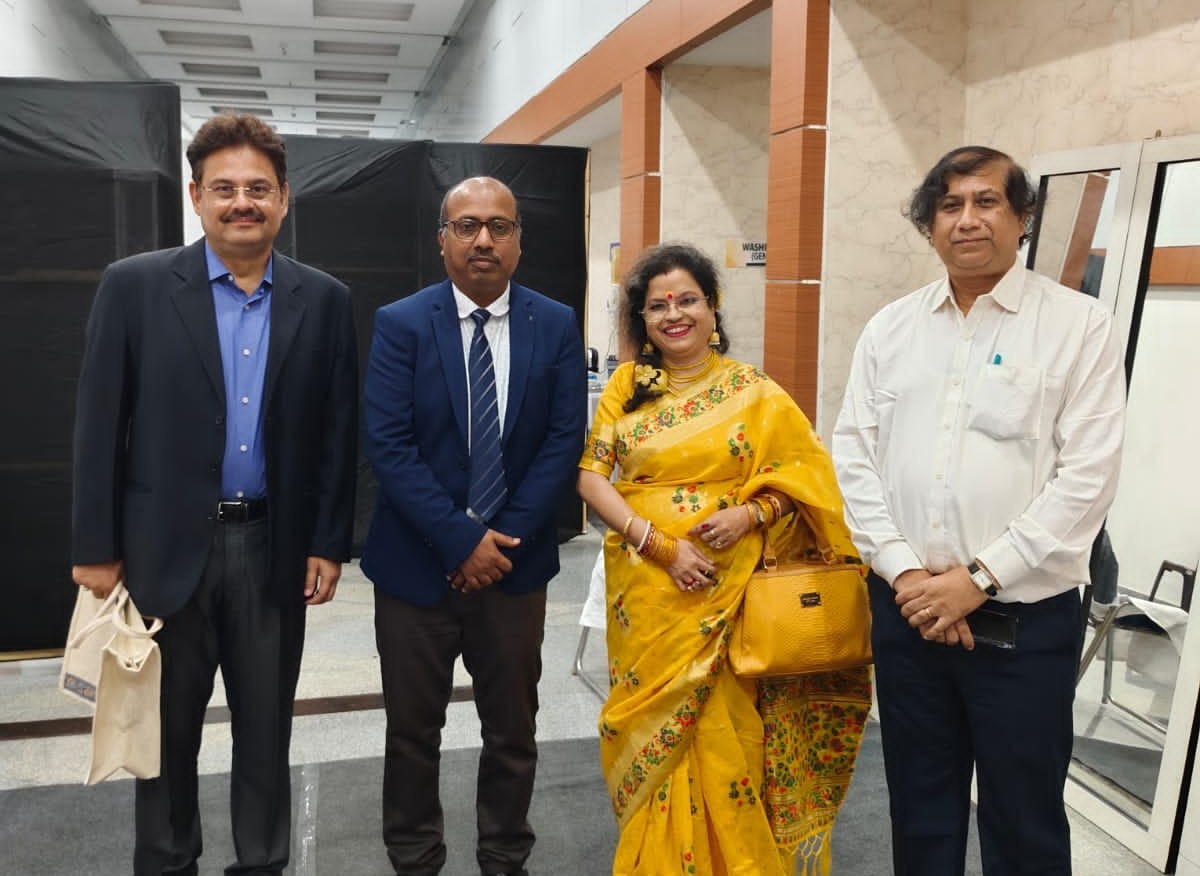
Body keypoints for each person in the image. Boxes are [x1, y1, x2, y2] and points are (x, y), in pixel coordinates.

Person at [71, 113, 358, 875]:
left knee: (266, 730)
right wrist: (95, 548)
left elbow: (338, 431)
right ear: (196, 197)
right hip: (161, 552)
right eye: (224, 188)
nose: (242, 202)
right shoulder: (134, 287)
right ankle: (168, 861)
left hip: (272, 550)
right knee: (164, 734)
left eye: (258, 188)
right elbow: (99, 424)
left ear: (284, 199)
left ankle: (261, 862)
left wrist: (329, 541)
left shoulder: (324, 299)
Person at [832, 146, 1126, 875]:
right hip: (907, 616)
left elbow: (1087, 478)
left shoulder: (1079, 326)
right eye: (950, 205)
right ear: (929, 225)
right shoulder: (890, 329)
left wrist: (978, 578)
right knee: (919, 812)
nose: (967, 219)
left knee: (1024, 823)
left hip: (1022, 626)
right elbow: (853, 458)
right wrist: (905, 574)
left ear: (1022, 217)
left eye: (986, 201)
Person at [577, 242, 871, 876]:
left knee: (730, 736)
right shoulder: (626, 387)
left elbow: (806, 480)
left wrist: (750, 515)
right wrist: (659, 545)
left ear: (712, 308)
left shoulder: (753, 392)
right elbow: (591, 478)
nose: (674, 314)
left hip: (728, 594)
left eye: (687, 300)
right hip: (648, 598)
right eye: (658, 306)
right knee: (651, 737)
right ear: (642, 319)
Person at [361, 176, 587, 876]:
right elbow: (389, 445)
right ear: (443, 239)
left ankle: (504, 857)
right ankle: (415, 858)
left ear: (519, 240)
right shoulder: (401, 323)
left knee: (513, 732)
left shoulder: (555, 322)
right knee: (411, 735)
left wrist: (499, 543)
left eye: (499, 226)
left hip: (514, 572)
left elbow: (562, 440)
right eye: (466, 226)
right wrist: (462, 540)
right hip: (415, 569)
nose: (483, 239)